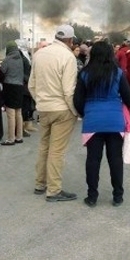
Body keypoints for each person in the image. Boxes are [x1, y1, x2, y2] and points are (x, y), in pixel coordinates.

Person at [74, 41, 130, 207]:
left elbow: (77, 100)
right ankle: (118, 196)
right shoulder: (118, 73)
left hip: (93, 121)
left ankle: (92, 196)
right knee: (115, 159)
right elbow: (128, 98)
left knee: (93, 159)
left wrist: (87, 113)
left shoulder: (85, 74)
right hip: (115, 121)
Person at [28, 24, 79, 202]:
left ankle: (40, 183)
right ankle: (54, 190)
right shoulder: (68, 57)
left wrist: (40, 102)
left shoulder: (39, 54)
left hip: (44, 108)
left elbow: (31, 85)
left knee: (44, 146)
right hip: (62, 109)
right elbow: (68, 90)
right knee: (57, 151)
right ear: (71, 40)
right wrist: (75, 112)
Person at [1, 42, 25, 146]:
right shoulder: (21, 59)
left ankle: (11, 138)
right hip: (20, 87)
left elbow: (3, 70)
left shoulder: (7, 59)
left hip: (10, 87)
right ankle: (19, 137)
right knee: (18, 113)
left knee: (11, 114)